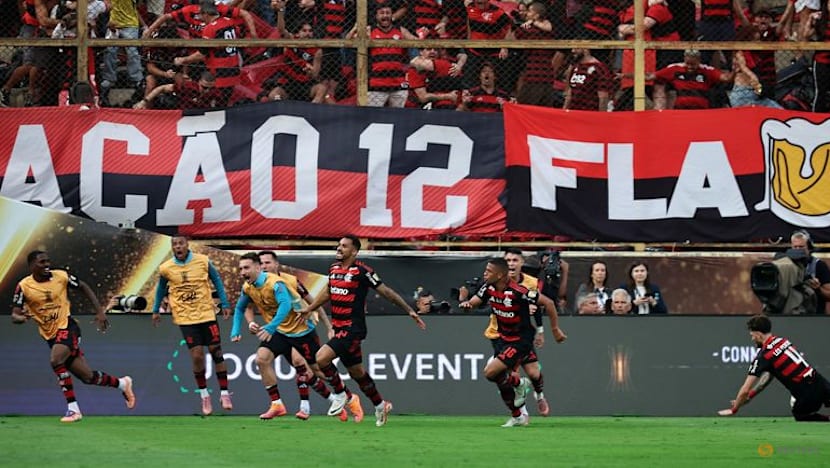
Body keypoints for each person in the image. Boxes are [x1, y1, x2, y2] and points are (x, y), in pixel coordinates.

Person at [301, 235, 426, 427]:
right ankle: (380, 405)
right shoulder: (334, 269)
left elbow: (386, 292)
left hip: (353, 329)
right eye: (339, 245)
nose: (339, 248)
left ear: (354, 251)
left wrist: (409, 310)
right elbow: (328, 292)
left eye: (344, 246)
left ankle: (341, 394)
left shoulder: (362, 271)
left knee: (321, 358)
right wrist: (310, 308)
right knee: (357, 373)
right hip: (339, 327)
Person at [11, 250, 135, 423]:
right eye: (42, 262)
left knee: (55, 360)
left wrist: (99, 311)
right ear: (32, 265)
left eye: (48, 261)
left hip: (68, 327)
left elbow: (83, 286)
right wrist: (21, 318)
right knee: (88, 377)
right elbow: (15, 314)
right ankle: (122, 383)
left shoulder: (61, 276)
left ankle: (73, 409)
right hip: (51, 336)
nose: (47, 265)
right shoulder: (24, 286)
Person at [229, 253, 340, 420]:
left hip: (300, 329)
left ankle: (342, 394)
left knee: (314, 369)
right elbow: (244, 307)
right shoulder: (251, 286)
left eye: (267, 263)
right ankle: (280, 404)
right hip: (279, 330)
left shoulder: (286, 282)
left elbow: (312, 303)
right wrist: (243, 326)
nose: (265, 266)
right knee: (261, 359)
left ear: (276, 264)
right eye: (262, 263)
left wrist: (329, 326)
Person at [460, 258, 566, 427]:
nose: (484, 274)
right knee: (499, 376)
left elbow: (548, 303)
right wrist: (466, 304)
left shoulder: (519, 291)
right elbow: (474, 303)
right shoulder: (488, 288)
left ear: (499, 275)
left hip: (521, 341)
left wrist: (555, 330)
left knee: (491, 372)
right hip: (503, 339)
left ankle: (531, 393)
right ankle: (517, 412)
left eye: (488, 271)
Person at [151, 235, 233, 416]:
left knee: (216, 352)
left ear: (187, 245)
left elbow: (217, 280)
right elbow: (161, 289)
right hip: (185, 317)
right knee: (197, 356)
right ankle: (204, 395)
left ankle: (224, 393)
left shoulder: (202, 261)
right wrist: (156, 309)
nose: (178, 247)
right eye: (174, 244)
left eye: (181, 243)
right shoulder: (166, 268)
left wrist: (225, 303)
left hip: (206, 313)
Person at [484, 248, 557, 416]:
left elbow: (538, 305)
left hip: (521, 334)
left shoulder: (530, 283)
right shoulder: (493, 280)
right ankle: (522, 413)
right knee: (507, 375)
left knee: (533, 372)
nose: (511, 264)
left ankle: (539, 395)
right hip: (499, 334)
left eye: (515, 260)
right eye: (508, 261)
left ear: (522, 263)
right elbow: (483, 299)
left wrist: (540, 330)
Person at [718, 315, 830, 421]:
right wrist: (750, 396)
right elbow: (768, 377)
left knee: (800, 414)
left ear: (759, 335)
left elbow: (745, 389)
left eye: (752, 335)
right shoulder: (783, 341)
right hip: (819, 381)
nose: (752, 339)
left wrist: (734, 409)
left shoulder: (764, 356)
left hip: (807, 391)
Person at [652, 49, 733, 110]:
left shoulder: (707, 70)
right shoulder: (675, 68)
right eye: (687, 63)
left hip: (701, 109)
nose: (690, 67)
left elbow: (726, 78)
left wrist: (735, 71)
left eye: (693, 64)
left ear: (699, 61)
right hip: (681, 108)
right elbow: (652, 76)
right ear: (684, 59)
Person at [728, 25, 783, 108]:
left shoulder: (755, 55)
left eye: (759, 39)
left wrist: (760, 90)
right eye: (755, 40)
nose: (758, 42)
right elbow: (744, 67)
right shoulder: (740, 53)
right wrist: (753, 77)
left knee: (778, 110)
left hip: (754, 93)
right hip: (743, 94)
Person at [133, 71, 223, 110]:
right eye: (204, 87)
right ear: (199, 82)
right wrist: (143, 102)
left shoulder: (215, 92)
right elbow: (162, 88)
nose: (207, 90)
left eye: (210, 88)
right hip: (182, 112)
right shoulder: (188, 86)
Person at [790, 230, 830, 314]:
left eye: (801, 247)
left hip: (814, 315)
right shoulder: (785, 265)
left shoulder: (819, 265)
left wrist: (818, 289)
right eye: (795, 247)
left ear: (809, 247)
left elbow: (828, 294)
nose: (798, 250)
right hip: (789, 314)